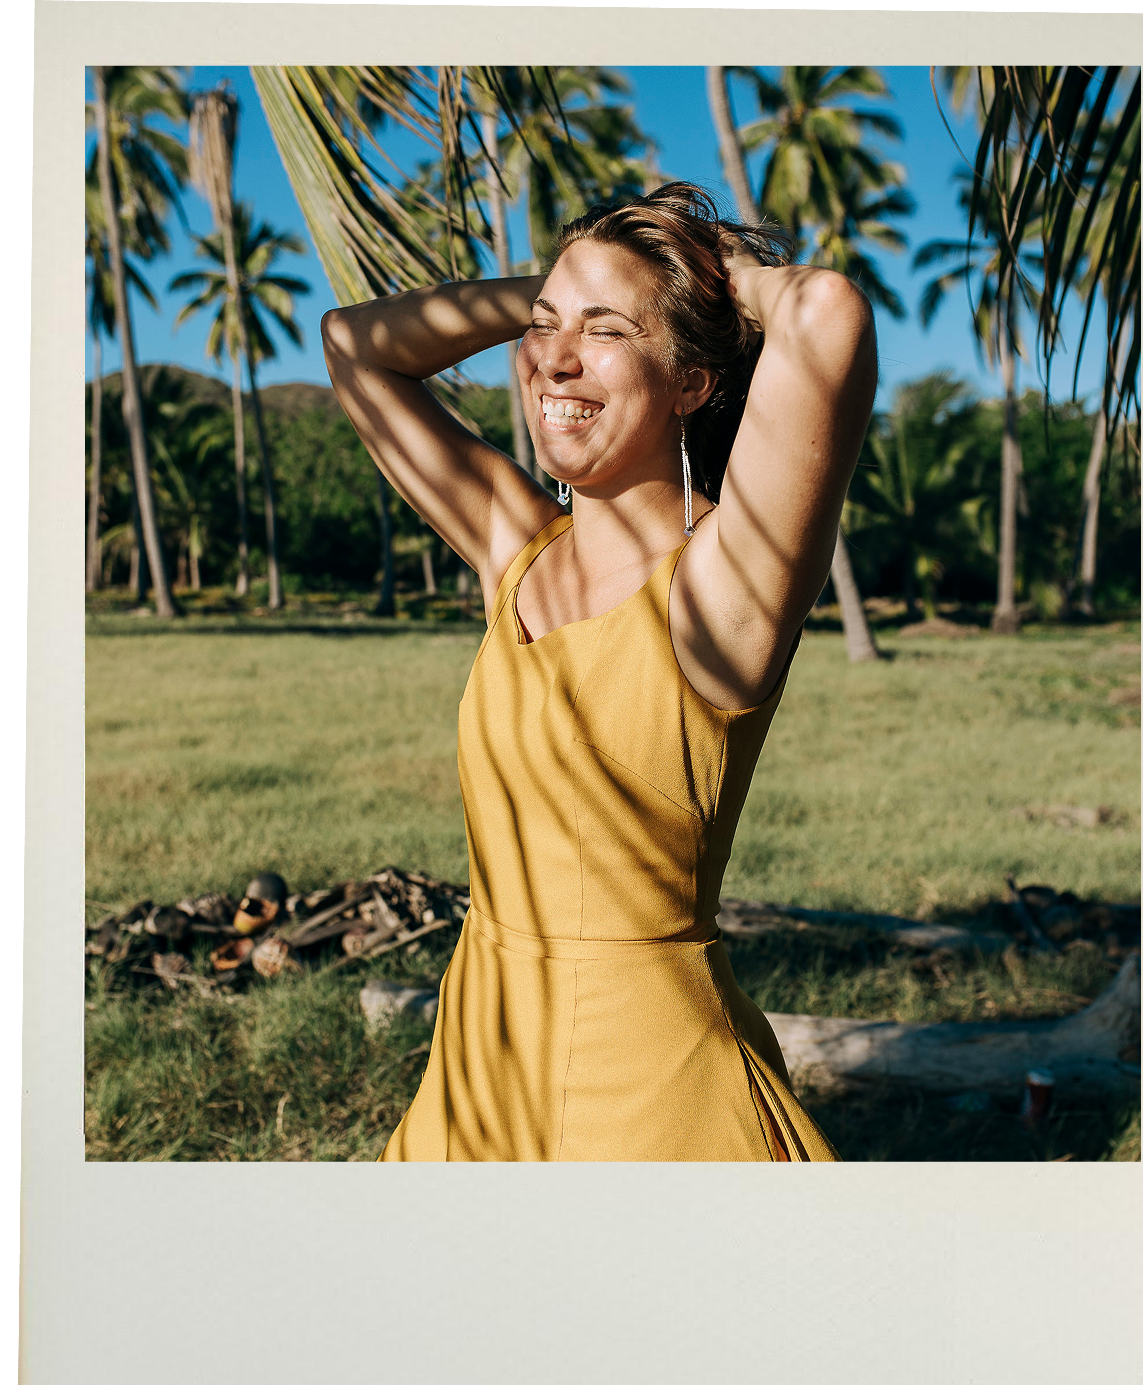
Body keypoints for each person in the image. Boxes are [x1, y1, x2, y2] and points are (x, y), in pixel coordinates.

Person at [321, 182, 877, 1161]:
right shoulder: (516, 546)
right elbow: (354, 346)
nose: (555, 359)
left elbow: (827, 314)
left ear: (693, 380)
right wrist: (563, 288)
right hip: (477, 1069)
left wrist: (710, 278)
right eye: (545, 331)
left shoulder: (721, 587)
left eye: (608, 332)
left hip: (654, 1099)